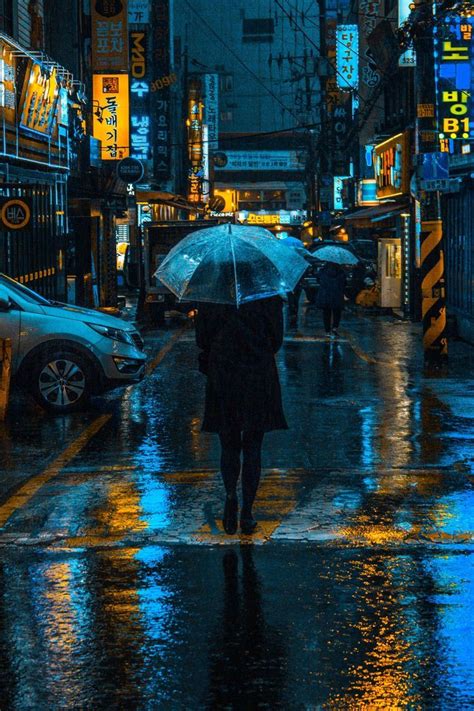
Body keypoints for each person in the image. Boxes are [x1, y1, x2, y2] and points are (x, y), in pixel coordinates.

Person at [195, 295, 288, 535]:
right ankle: (247, 512)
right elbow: (276, 339)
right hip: (258, 373)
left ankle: (229, 497)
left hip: (223, 373)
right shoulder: (268, 296)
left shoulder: (211, 297)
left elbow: (202, 339)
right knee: (253, 445)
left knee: (228, 443)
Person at [315, 261, 346, 338]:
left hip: (326, 295)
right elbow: (344, 283)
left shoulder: (322, 271)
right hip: (337, 295)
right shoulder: (341, 272)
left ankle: (327, 331)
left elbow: (318, 280)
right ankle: (335, 327)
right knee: (337, 312)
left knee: (326, 313)